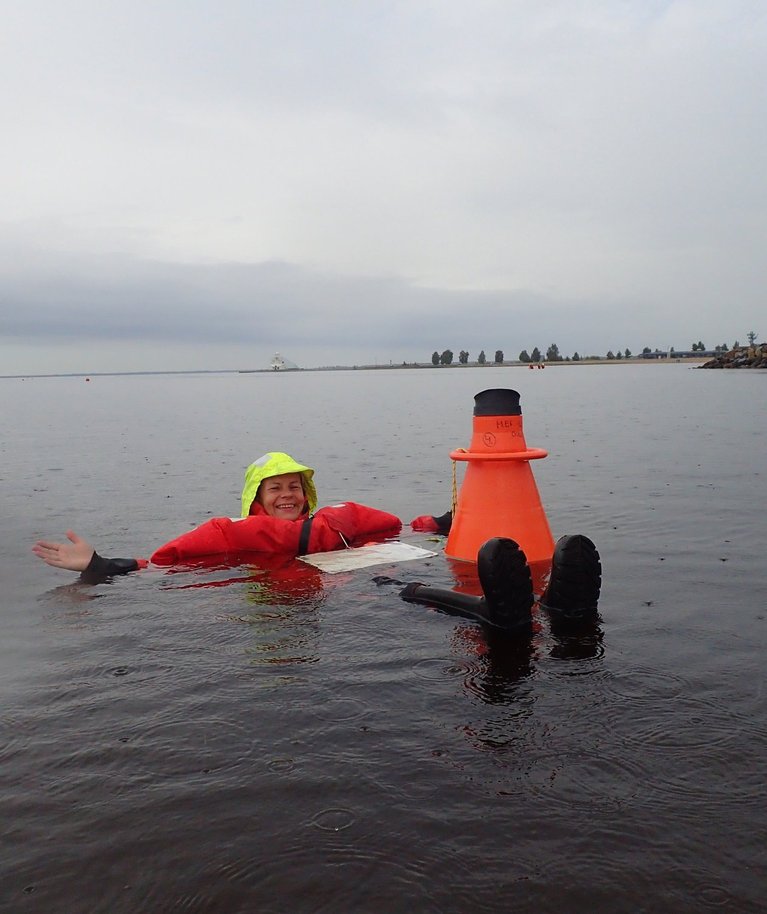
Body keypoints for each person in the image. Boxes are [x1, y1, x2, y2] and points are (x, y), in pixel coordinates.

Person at [32, 452, 402, 580]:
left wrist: (439, 522)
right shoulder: (235, 533)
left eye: (294, 486)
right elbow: (166, 563)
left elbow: (397, 529)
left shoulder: (338, 521)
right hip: (275, 603)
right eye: (274, 489)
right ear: (256, 498)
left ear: (307, 494)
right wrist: (102, 565)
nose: (287, 495)